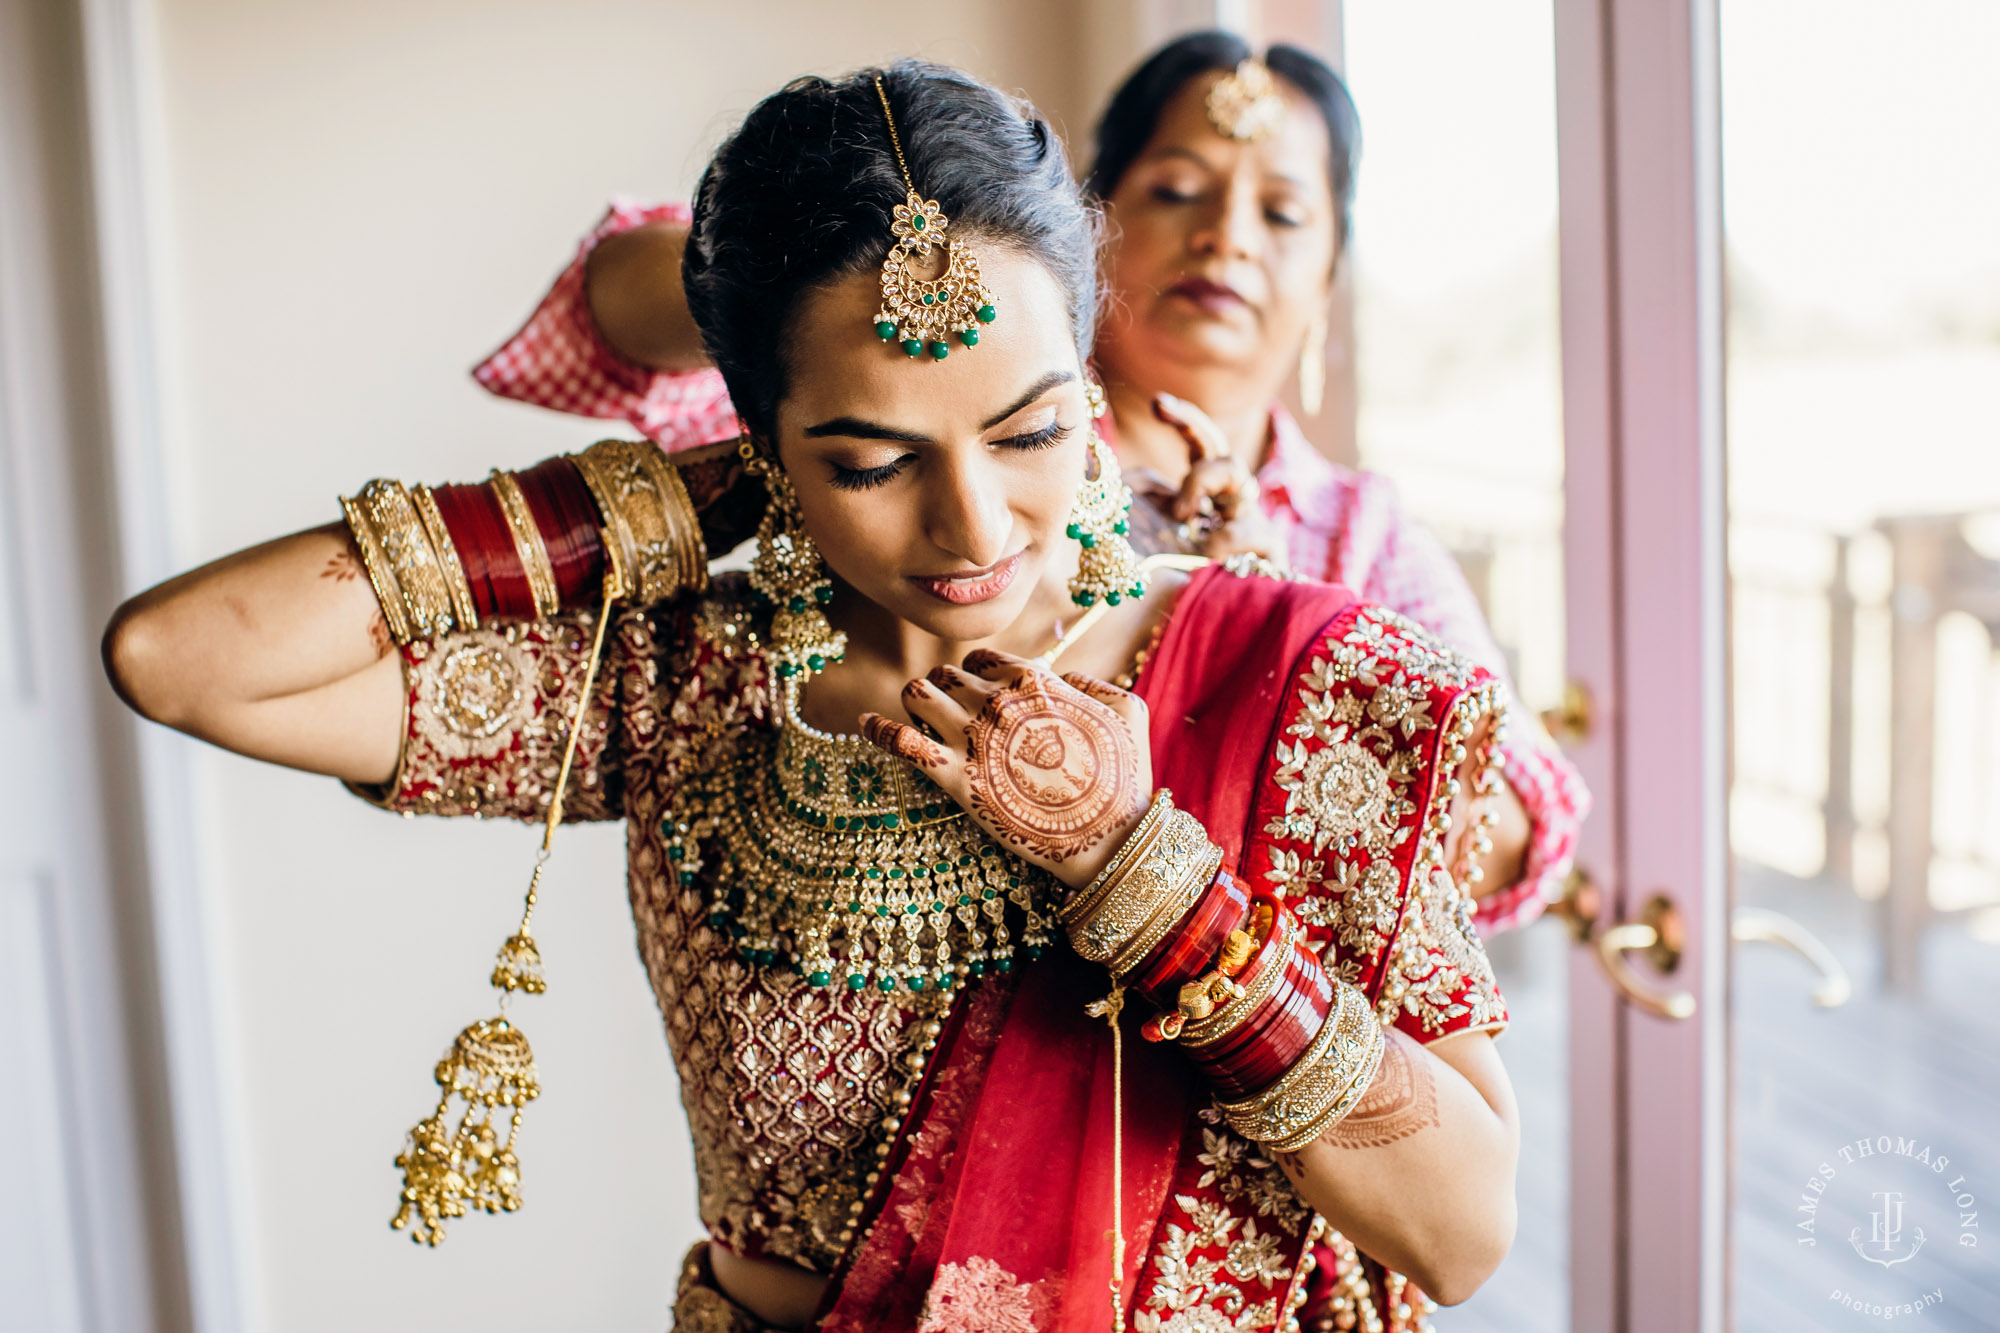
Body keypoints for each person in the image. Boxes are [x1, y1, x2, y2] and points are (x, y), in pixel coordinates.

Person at [105, 62, 1519, 1333]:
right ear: (764, 436)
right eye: (869, 461)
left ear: (1088, 383)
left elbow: (1460, 1234)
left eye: (1028, 430)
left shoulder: (1301, 681)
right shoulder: (688, 682)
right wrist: (660, 504)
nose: (973, 526)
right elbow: (181, 658)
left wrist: (1143, 880)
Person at [468, 33, 1586, 943]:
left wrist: (1263, 623)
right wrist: (784, 280)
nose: (1223, 238)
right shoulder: (916, 399)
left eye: (1281, 213)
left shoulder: (1355, 539)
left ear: (1330, 278)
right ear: (1084, 240)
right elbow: (597, 323)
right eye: (1176, 188)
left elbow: (1519, 833)